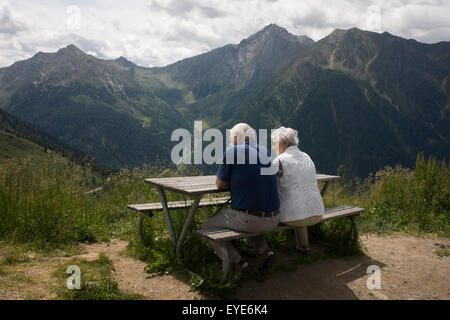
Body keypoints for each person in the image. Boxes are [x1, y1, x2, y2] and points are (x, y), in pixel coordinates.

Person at [200, 123, 281, 269]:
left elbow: (220, 184)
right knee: (251, 212)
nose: (230, 143)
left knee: (207, 226)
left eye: (231, 139)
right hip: (274, 218)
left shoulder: (233, 151)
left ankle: (236, 261)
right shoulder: (267, 152)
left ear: (236, 138)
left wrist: (236, 181)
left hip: (251, 220)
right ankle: (265, 251)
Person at [271, 126, 324, 255]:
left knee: (258, 216)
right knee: (299, 201)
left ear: (286, 144)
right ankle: (304, 247)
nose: (273, 147)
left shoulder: (279, 161)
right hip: (317, 212)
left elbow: (269, 187)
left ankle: (259, 249)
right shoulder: (306, 156)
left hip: (294, 218)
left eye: (275, 143)